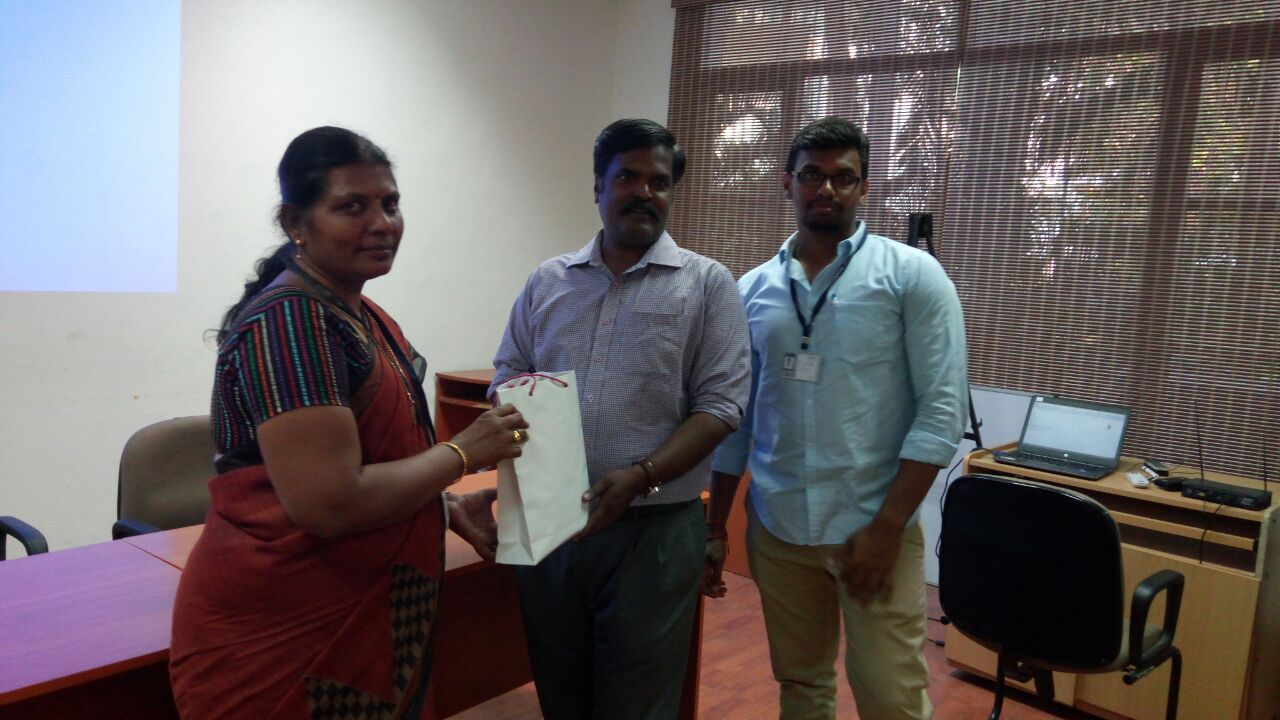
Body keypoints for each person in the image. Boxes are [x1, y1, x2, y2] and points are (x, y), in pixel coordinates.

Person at [170, 126, 530, 720]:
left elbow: (369, 461)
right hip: (283, 629)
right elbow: (328, 503)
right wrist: (464, 453)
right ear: (295, 222)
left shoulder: (360, 313)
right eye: (352, 206)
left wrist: (442, 508)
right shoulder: (290, 325)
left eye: (390, 203)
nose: (382, 223)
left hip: (363, 612)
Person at [704, 117, 968, 720]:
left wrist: (888, 527)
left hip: (872, 529)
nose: (826, 189)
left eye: (843, 177)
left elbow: (942, 411)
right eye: (811, 175)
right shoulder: (753, 289)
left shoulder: (911, 276)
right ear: (787, 183)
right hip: (778, 530)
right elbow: (737, 420)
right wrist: (715, 526)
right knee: (801, 686)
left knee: (892, 698)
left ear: (864, 186)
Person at [490, 118, 751, 719]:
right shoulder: (548, 281)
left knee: (637, 706)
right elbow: (508, 371)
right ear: (598, 187)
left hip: (653, 532)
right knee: (560, 695)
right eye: (627, 177)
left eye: (659, 182)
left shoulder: (707, 286)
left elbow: (721, 406)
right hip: (550, 524)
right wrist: (525, 427)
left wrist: (641, 475)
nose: (644, 192)